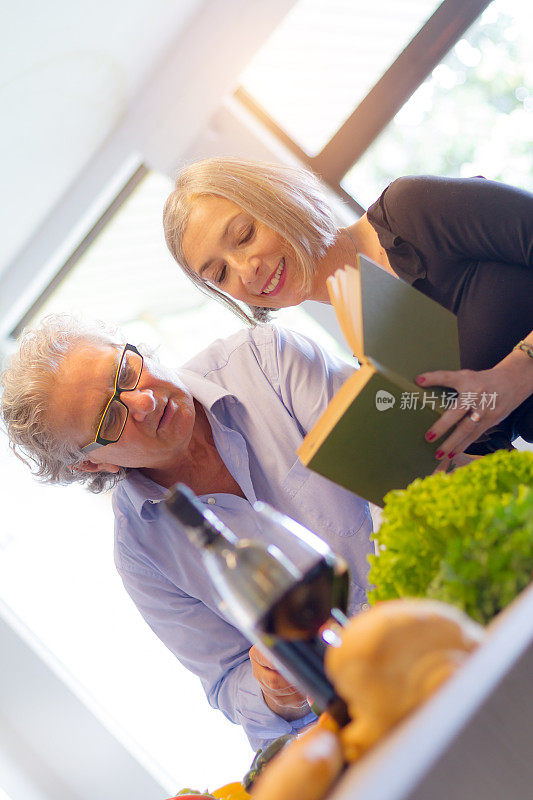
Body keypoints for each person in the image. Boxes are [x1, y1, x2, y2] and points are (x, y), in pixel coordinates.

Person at [0, 314, 373, 750]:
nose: (143, 402)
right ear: (91, 463)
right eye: (110, 420)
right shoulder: (141, 554)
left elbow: (408, 462)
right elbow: (227, 684)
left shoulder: (266, 360)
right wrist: (274, 691)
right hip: (367, 705)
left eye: (125, 372)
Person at [163, 158, 533, 460]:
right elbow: (489, 437)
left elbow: (506, 388)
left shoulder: (412, 210)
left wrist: (516, 371)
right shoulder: (369, 348)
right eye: (221, 273)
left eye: (244, 235)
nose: (246, 270)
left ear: (279, 200)